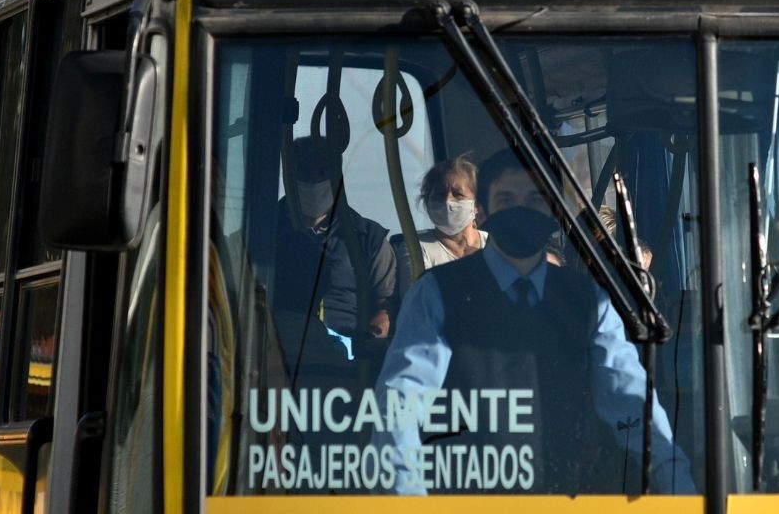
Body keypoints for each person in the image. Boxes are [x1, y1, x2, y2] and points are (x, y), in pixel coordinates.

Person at [373, 150, 695, 494]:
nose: (520, 211)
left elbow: (629, 397)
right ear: (482, 211)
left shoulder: (589, 301)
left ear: (554, 211)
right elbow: (402, 401)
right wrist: (408, 495)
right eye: (506, 200)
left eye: (534, 200)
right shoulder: (438, 293)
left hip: (562, 493)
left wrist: (675, 480)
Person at [272, 135, 398, 372]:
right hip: (279, 353)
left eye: (323, 172)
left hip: (346, 358)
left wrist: (366, 343)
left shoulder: (368, 237)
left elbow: (384, 305)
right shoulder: (263, 233)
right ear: (288, 175)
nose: (314, 181)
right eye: (304, 172)